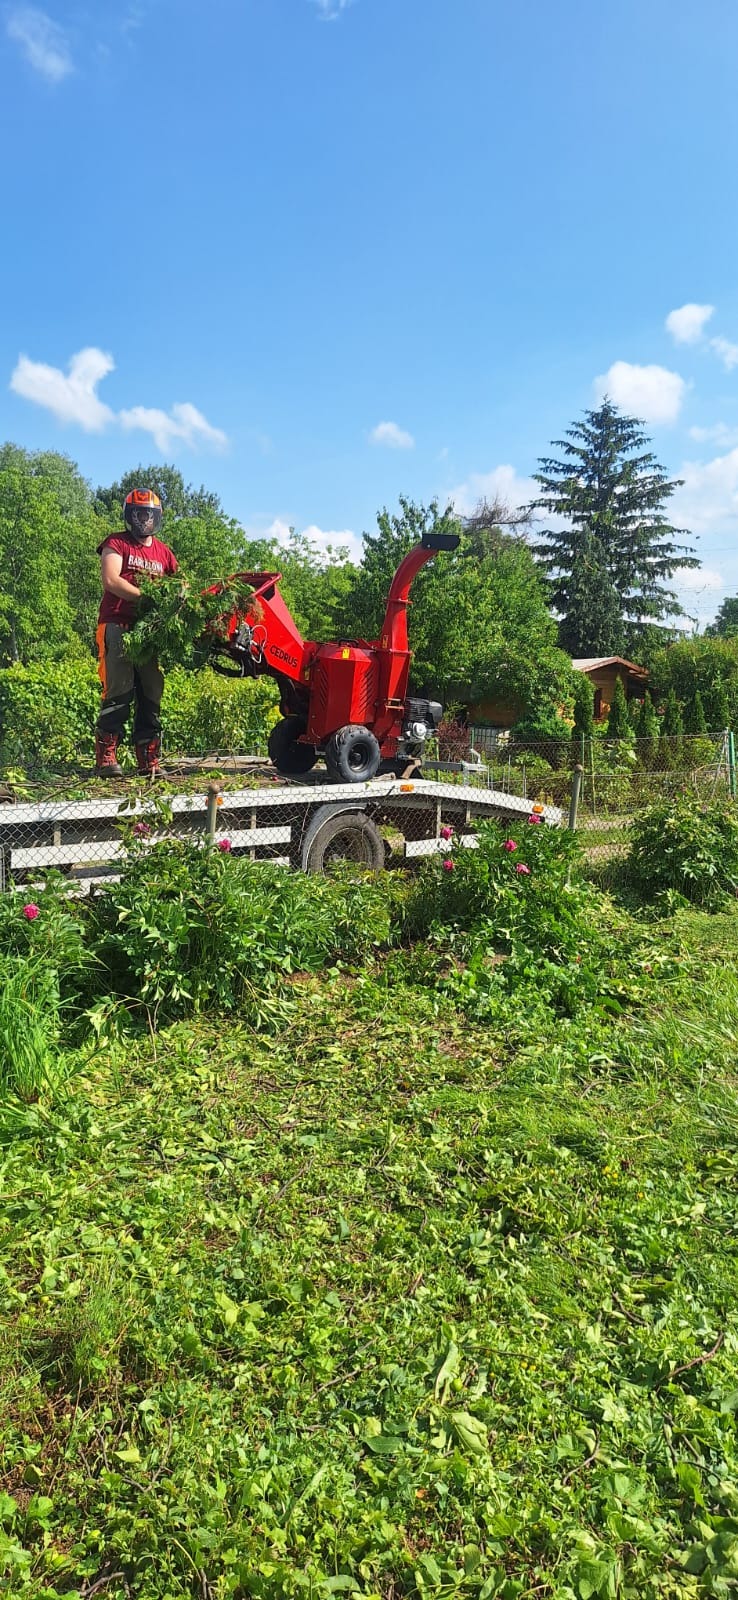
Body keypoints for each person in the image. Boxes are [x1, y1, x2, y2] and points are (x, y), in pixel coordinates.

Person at [95, 488, 178, 777]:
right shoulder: (116, 543)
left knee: (152, 691)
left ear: (156, 517)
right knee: (118, 689)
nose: (143, 519)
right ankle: (107, 756)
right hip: (118, 623)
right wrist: (144, 597)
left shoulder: (164, 553)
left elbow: (179, 586)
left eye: (148, 514)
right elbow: (111, 579)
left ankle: (148, 759)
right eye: (138, 514)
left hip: (151, 632)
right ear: (130, 516)